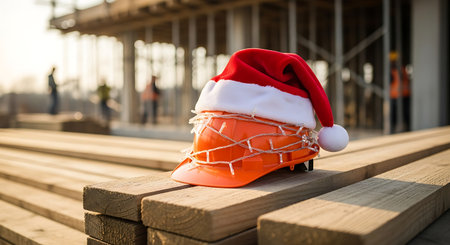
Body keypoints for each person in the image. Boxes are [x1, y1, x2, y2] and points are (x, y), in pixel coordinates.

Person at [389, 51, 411, 133]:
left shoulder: (402, 70)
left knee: (406, 114)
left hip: (404, 96)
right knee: (393, 116)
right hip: (394, 96)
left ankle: (407, 129)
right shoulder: (392, 71)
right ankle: (392, 130)